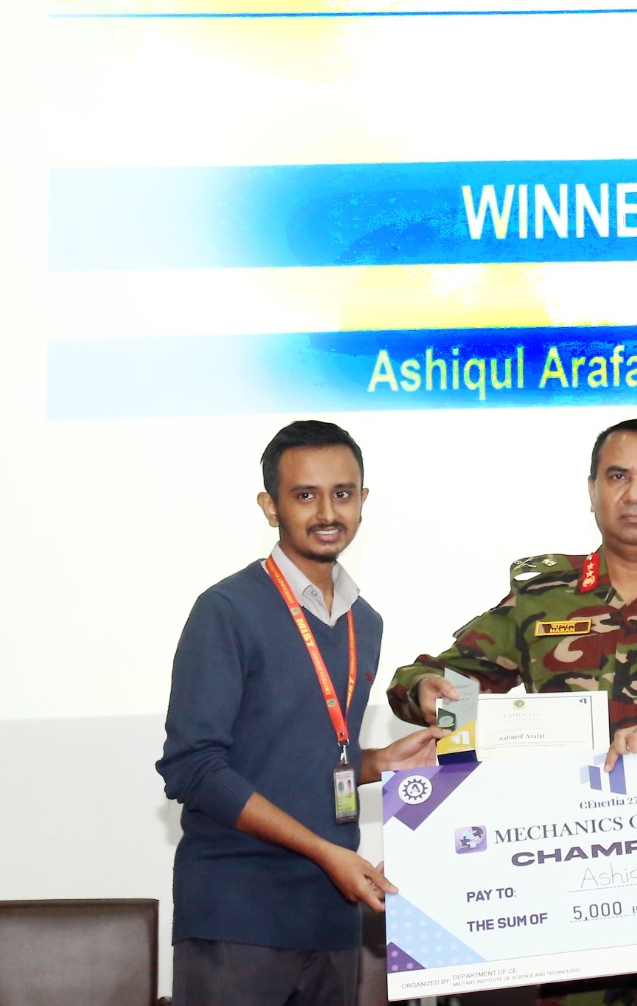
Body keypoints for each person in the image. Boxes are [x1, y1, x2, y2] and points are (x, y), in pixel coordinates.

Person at [387, 418, 637, 1006]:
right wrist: (427, 689)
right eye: (618, 477)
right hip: (569, 898)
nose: (635, 494)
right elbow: (435, 680)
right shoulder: (541, 597)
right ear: (591, 489)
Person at [157, 420, 444, 1005]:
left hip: (331, 917)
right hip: (238, 916)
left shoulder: (365, 621)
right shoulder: (226, 609)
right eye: (305, 495)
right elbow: (193, 769)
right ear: (271, 507)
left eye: (342, 493)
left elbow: (305, 756)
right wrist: (323, 851)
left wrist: (378, 763)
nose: (327, 512)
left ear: (363, 499)